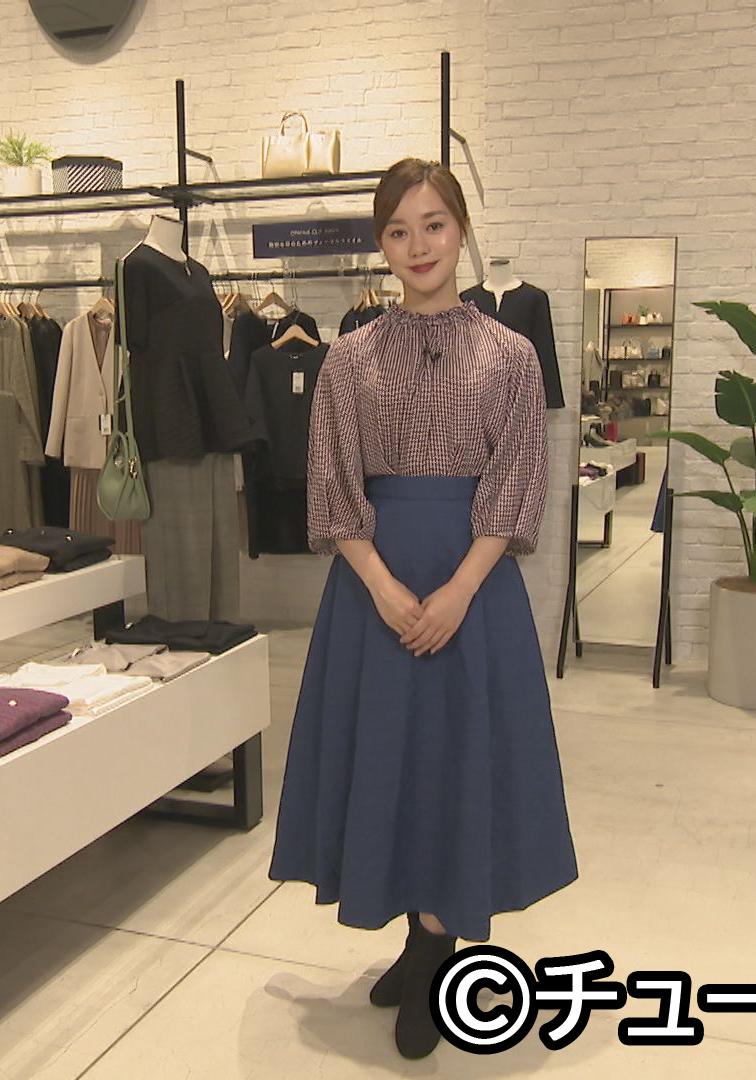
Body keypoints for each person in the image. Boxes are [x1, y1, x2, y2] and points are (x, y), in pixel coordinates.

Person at [267, 158, 578, 1060]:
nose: (418, 245)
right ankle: (417, 936)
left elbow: (518, 482)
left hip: (473, 587)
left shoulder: (510, 354)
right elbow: (332, 484)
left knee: (453, 760)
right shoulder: (349, 356)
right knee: (390, 760)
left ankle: (436, 950)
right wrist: (383, 585)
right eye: (399, 230)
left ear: (462, 230)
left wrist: (458, 591)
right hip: (375, 588)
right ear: (382, 244)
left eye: (434, 224)